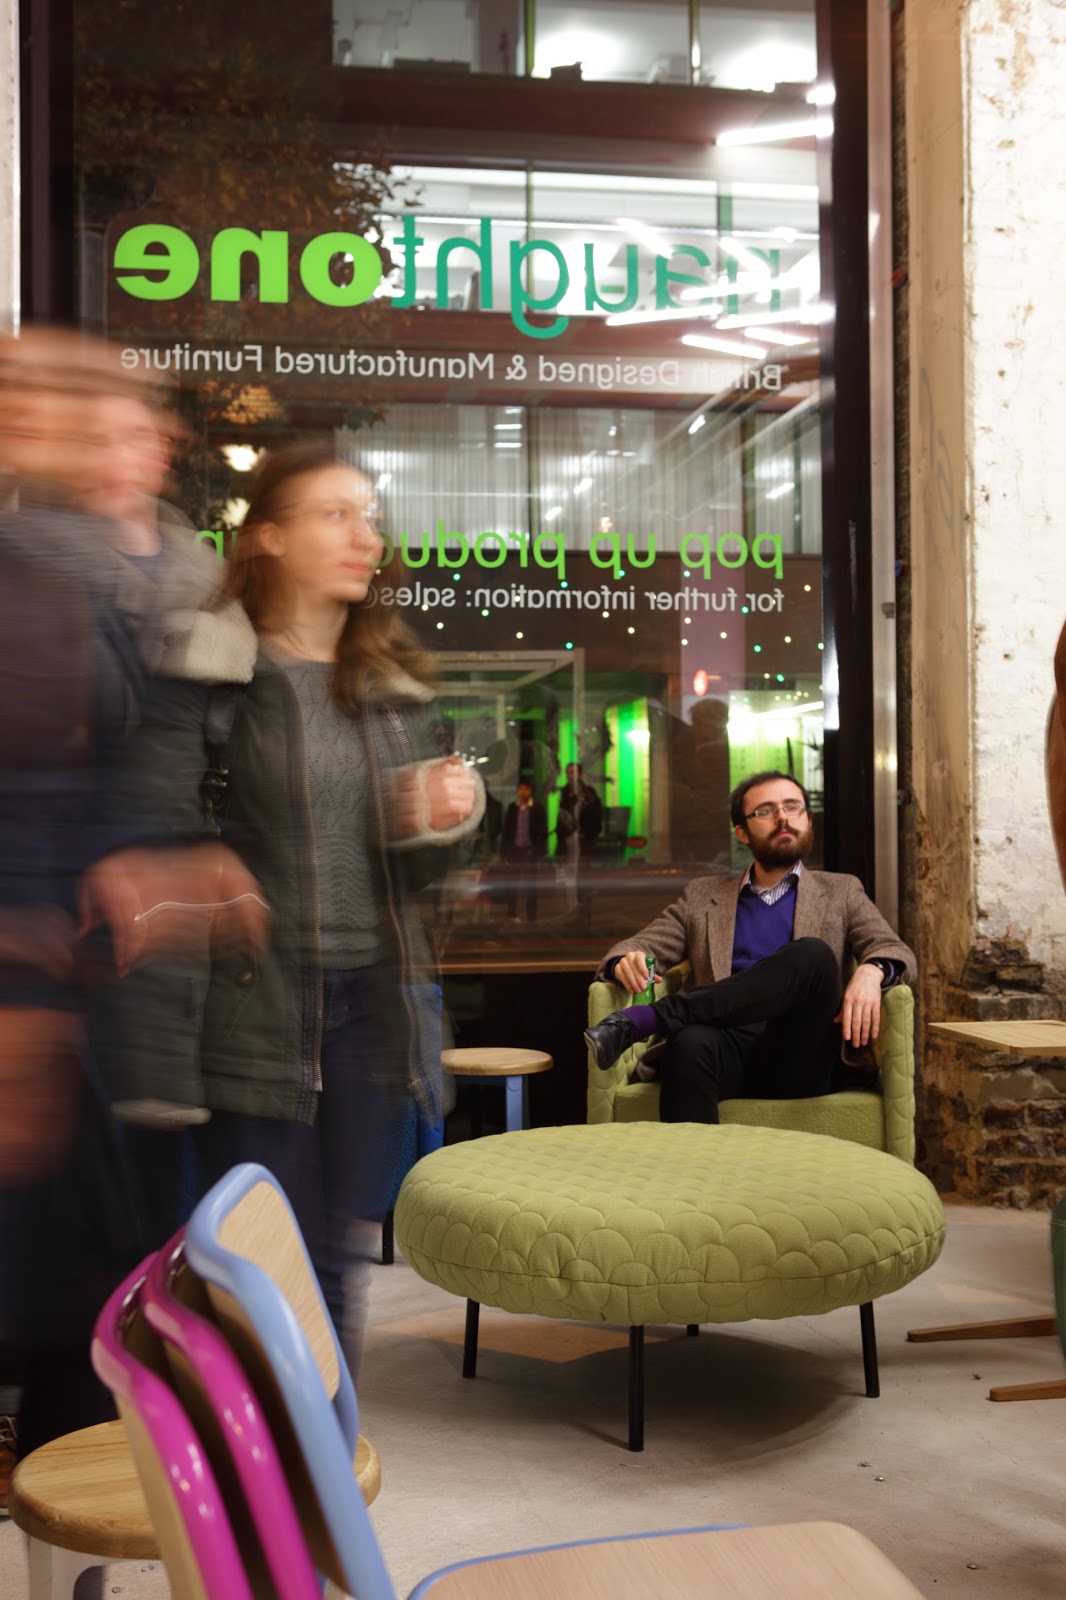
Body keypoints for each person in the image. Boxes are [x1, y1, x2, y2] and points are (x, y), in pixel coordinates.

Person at [106, 441, 483, 1366]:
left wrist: (441, 821)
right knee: (254, 1268)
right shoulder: (209, 674)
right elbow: (152, 836)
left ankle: (318, 1445)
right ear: (268, 536)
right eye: (335, 514)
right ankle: (257, 1446)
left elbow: (424, 878)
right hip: (252, 1008)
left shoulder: (391, 685)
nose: (367, 537)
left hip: (369, 1010)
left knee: (335, 1262)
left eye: (370, 517)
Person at [584, 769, 916, 1124]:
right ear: (741, 831)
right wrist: (624, 960)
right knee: (689, 1042)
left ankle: (653, 1018)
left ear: (808, 819)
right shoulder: (703, 896)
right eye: (766, 811)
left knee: (814, 954)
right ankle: (689, 1159)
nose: (783, 818)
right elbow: (644, 943)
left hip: (801, 1055)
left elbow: (893, 949)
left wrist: (873, 969)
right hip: (725, 1048)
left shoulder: (841, 890)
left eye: (793, 807)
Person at [556, 761, 603, 917]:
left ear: (580, 774)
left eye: (574, 772)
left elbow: (595, 817)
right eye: (568, 773)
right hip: (570, 843)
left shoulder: (589, 793)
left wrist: (584, 833)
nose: (571, 776)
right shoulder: (564, 793)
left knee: (583, 877)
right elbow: (561, 817)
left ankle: (584, 911)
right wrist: (566, 834)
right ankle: (572, 910)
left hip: (585, 842)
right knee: (569, 879)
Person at [500, 779, 548, 922]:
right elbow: (507, 831)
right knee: (512, 885)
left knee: (531, 886)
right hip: (515, 850)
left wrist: (536, 849)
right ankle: (511, 913)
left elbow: (542, 832)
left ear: (530, 791)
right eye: (521, 789)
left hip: (529, 851)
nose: (523, 792)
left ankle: (531, 917)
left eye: (526, 789)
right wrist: (504, 852)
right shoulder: (512, 808)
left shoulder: (537, 808)